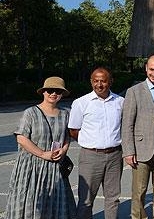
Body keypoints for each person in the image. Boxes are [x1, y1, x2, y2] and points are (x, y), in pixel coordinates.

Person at [5, 77, 76, 219]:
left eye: (58, 91)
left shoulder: (66, 114)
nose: (53, 94)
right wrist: (43, 154)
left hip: (55, 167)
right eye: (50, 90)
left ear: (62, 94)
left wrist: (63, 150)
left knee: (54, 204)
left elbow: (67, 137)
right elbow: (21, 137)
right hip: (31, 167)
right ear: (43, 92)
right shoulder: (30, 112)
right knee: (32, 203)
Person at [69, 68, 124, 219]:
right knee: (86, 200)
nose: (99, 84)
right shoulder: (81, 103)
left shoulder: (120, 102)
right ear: (91, 82)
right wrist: (91, 143)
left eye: (103, 81)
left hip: (115, 155)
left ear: (110, 81)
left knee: (113, 198)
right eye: (96, 81)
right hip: (90, 156)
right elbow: (74, 130)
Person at [122, 54, 154, 219]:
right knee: (139, 191)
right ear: (146, 68)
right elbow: (127, 124)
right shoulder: (134, 91)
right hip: (141, 149)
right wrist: (128, 151)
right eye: (151, 69)